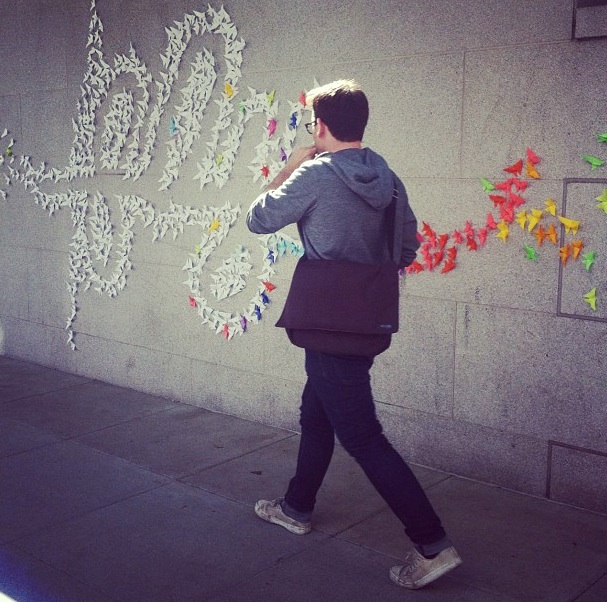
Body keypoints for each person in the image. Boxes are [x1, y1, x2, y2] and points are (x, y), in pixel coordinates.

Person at [246, 79, 462, 590]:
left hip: (326, 322)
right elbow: (406, 248)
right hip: (366, 320)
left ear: (320, 126)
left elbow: (259, 219)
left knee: (363, 436)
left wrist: (289, 167)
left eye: (311, 124)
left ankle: (432, 544)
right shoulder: (388, 177)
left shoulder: (316, 173)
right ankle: (296, 507)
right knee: (316, 412)